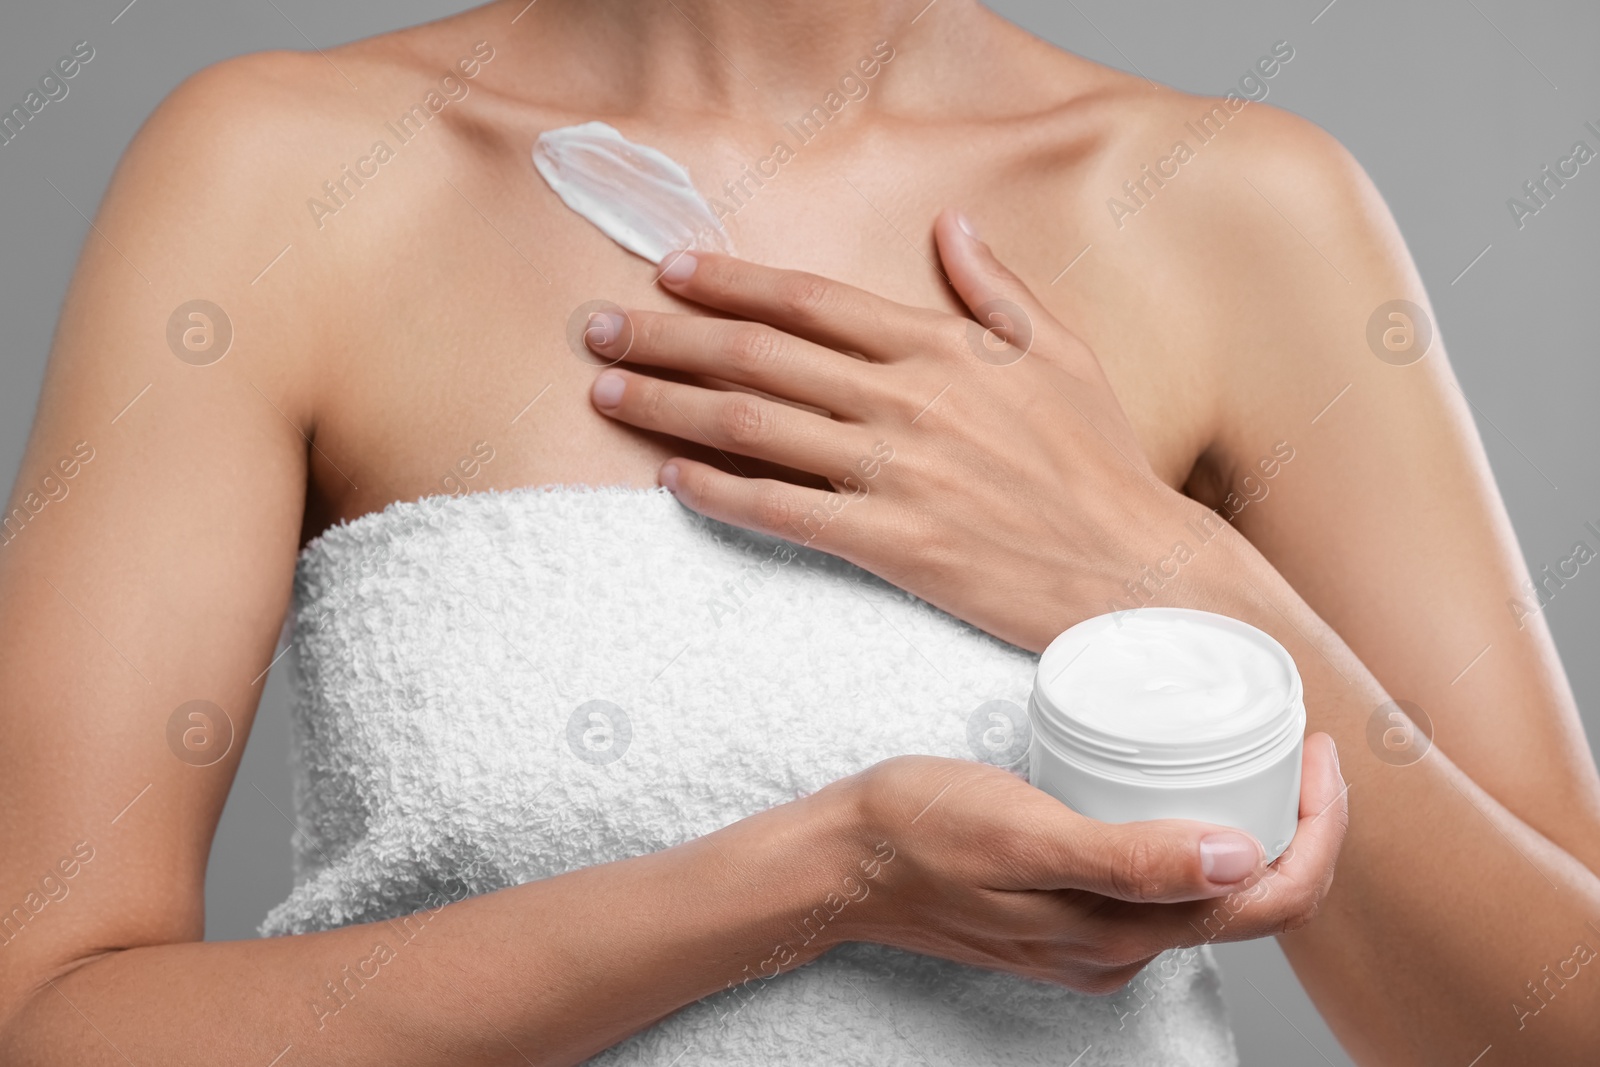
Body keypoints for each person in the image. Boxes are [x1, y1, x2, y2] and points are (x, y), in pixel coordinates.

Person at [0, 1, 1594, 1064]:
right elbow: (49, 1018)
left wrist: (1148, 563)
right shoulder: (277, 180)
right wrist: (825, 876)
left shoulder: (1237, 207)